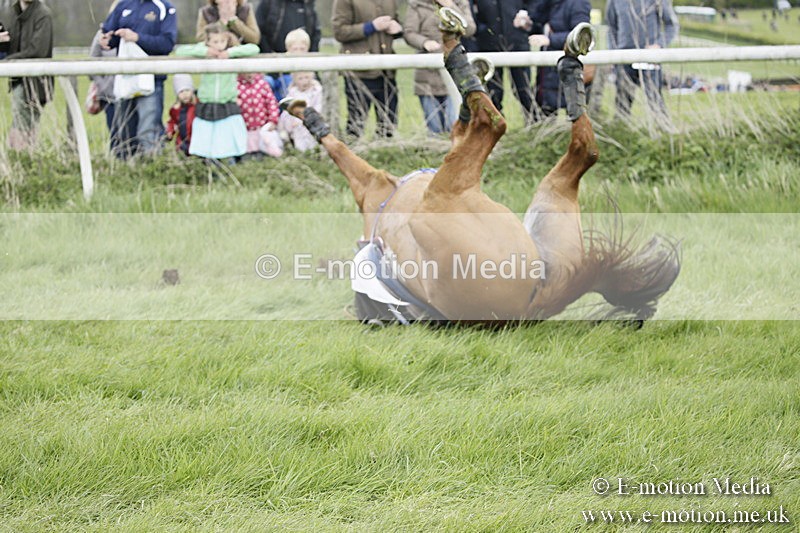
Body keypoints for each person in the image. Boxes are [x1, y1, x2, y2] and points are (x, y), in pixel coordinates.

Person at [100, 0, 178, 158]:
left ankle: (151, 170)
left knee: (147, 131)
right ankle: (124, 173)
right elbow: (109, 34)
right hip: (125, 79)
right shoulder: (124, 5)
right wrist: (106, 40)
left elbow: (167, 44)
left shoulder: (165, 8)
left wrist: (137, 38)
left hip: (151, 80)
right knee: (123, 131)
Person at [175, 23, 259, 160]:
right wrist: (204, 52)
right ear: (207, 42)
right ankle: (209, 172)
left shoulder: (231, 53)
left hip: (227, 104)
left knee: (228, 144)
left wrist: (230, 52)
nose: (219, 45)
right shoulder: (203, 52)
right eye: (215, 42)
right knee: (207, 145)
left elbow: (254, 48)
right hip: (207, 105)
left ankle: (231, 169)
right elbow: (180, 51)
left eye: (222, 41)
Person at [332, 0, 402, 139]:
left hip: (387, 70)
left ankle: (386, 155)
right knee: (356, 126)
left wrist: (398, 29)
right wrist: (371, 26)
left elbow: (396, 24)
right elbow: (339, 31)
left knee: (389, 125)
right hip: (358, 71)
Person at [404, 0, 475, 134]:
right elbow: (409, 32)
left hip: (455, 72)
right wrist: (424, 42)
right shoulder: (416, 4)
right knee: (434, 128)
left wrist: (450, 6)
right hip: (427, 74)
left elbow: (469, 29)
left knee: (455, 125)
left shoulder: (460, 3)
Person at [514, 0, 591, 117]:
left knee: (574, 115)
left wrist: (550, 39)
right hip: (547, 72)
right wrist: (528, 25)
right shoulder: (549, 4)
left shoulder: (578, 3)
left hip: (569, 67)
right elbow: (540, 26)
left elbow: (581, 34)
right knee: (546, 112)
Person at [606, 0, 678, 125]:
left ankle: (664, 133)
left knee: (655, 102)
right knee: (622, 105)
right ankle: (620, 134)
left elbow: (671, 25)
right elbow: (612, 27)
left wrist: (659, 45)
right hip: (624, 59)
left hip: (650, 59)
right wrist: (613, 53)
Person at [469, 0, 536, 123]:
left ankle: (533, 126)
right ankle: (495, 129)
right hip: (488, 45)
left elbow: (534, 4)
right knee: (493, 92)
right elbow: (470, 10)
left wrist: (527, 15)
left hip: (517, 43)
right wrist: (481, 30)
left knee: (524, 90)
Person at [0, 0, 53, 151]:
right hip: (18, 81)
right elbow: (11, 46)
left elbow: (38, 51)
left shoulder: (43, 15)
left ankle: (22, 160)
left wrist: (8, 61)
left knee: (24, 127)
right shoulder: (15, 13)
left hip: (34, 84)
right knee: (21, 123)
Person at [237, 72, 283, 158]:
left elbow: (271, 102)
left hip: (262, 126)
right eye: (246, 73)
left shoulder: (262, 84)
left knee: (266, 149)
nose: (249, 75)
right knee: (248, 152)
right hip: (245, 128)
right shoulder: (237, 86)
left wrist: (273, 120)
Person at [278, 70, 323, 151]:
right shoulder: (293, 92)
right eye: (300, 79)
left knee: (313, 140)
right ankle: (301, 152)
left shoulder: (316, 91)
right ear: (295, 80)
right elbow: (288, 109)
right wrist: (290, 122)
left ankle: (315, 152)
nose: (304, 81)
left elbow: (318, 106)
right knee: (300, 141)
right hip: (296, 123)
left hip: (312, 120)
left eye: (307, 77)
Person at [255, 0, 320, 54]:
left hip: (303, 60)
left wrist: (312, 57)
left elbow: (316, 33)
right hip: (274, 60)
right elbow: (259, 30)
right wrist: (269, 54)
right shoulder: (268, 3)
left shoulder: (308, 4)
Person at [266, 28, 311, 102]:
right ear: (288, 49)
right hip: (282, 95)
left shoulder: (309, 63)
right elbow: (273, 78)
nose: (298, 52)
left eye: (302, 49)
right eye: (295, 49)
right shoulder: (281, 62)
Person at [196, 0, 260, 45]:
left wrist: (234, 20)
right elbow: (200, 39)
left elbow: (255, 39)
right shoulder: (206, 12)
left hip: (241, 55)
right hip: (214, 56)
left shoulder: (245, 9)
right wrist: (222, 22)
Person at [166, 74, 197, 156]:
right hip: (182, 143)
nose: (185, 94)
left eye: (187, 90)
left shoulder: (197, 106)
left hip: (196, 142)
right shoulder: (175, 110)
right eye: (181, 92)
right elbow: (172, 122)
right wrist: (170, 131)